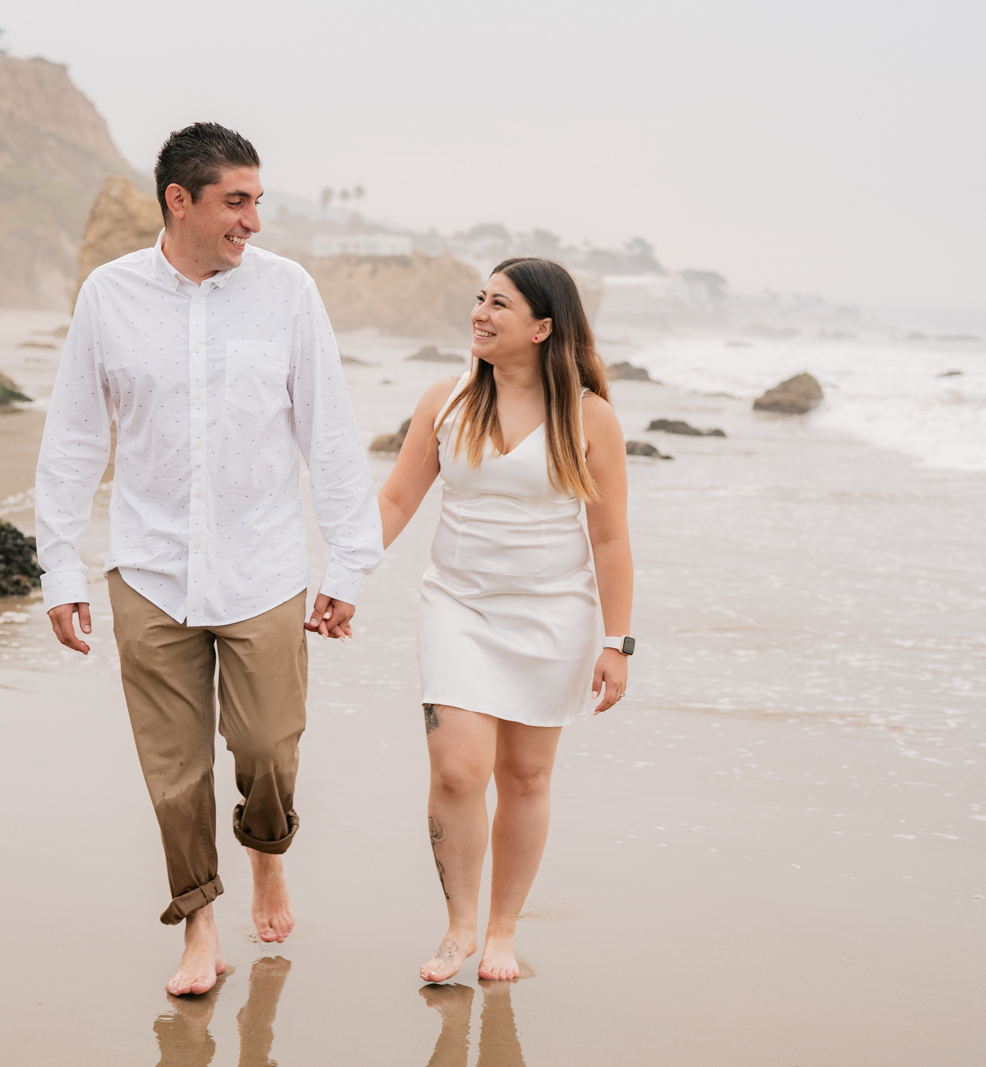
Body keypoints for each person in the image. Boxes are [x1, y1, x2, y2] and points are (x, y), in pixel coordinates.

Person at [34, 122, 382, 996]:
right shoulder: (108, 297)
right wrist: (60, 569)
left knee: (267, 748)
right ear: (178, 201)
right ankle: (198, 924)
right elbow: (73, 439)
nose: (254, 221)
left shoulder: (289, 294)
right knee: (173, 769)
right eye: (237, 202)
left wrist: (349, 565)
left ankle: (266, 853)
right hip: (146, 568)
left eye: (258, 201)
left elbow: (331, 436)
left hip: (262, 564)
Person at [376, 257, 633, 983]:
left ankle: (502, 932)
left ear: (543, 328)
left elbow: (610, 538)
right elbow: (396, 501)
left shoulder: (589, 417)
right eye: (479, 300)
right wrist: (341, 575)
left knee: (525, 775)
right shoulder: (447, 399)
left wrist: (617, 643)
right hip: (456, 605)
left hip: (555, 616)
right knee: (457, 767)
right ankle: (459, 924)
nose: (480, 315)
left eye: (500, 305)